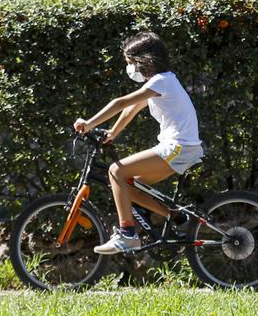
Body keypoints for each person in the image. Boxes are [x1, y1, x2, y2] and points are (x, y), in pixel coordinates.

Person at [73, 32, 204, 254]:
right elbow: (130, 109)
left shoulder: (161, 81)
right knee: (124, 184)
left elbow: (120, 102)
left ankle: (127, 235)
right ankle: (174, 216)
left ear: (142, 61)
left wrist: (89, 123)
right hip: (181, 147)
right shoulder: (161, 83)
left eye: (130, 63)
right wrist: (112, 132)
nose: (129, 69)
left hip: (177, 147)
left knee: (116, 171)